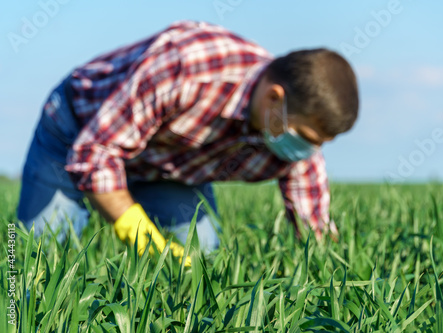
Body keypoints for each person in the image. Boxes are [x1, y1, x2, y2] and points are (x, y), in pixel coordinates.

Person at [17, 20, 359, 257]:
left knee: (202, 257)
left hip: (163, 165)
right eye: (307, 137)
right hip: (78, 130)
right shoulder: (188, 66)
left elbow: (314, 230)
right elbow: (97, 153)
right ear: (274, 98)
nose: (310, 151)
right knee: (41, 257)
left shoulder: (293, 135)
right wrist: (141, 235)